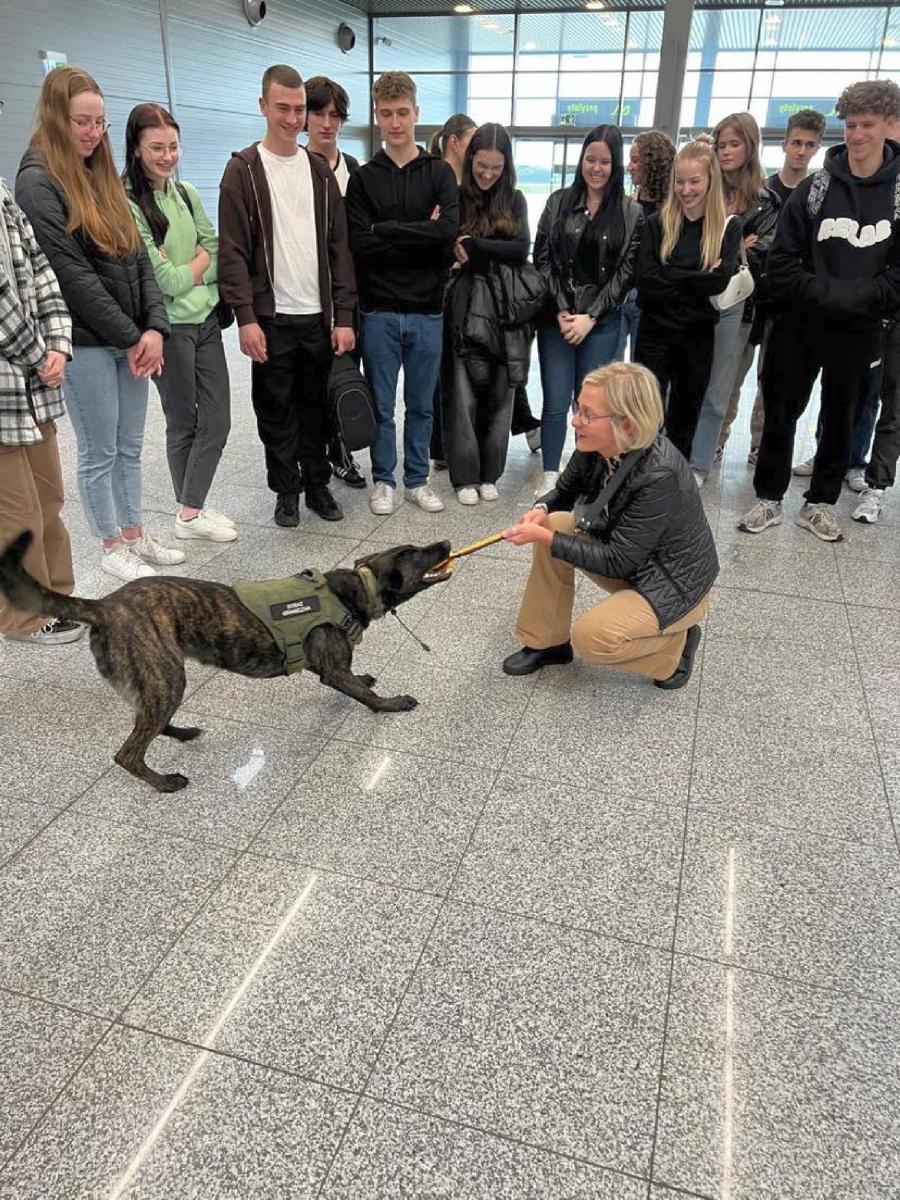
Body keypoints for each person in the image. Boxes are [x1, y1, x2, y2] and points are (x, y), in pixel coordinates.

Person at [16, 66, 182, 583]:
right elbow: (71, 275)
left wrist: (154, 329)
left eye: (100, 123)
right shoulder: (38, 181)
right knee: (100, 448)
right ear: (55, 117)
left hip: (131, 339)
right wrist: (134, 336)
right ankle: (110, 544)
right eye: (82, 122)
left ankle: (134, 532)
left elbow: (139, 258)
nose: (92, 133)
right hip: (86, 342)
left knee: (131, 444)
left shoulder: (102, 173)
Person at [739, 79, 900, 542]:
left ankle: (820, 503)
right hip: (800, 324)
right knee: (782, 410)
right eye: (850, 125)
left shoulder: (896, 195)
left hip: (861, 329)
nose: (857, 134)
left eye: (868, 124)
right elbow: (783, 263)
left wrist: (855, 299)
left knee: (842, 417)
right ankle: (768, 498)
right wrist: (829, 294)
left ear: (887, 126)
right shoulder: (815, 188)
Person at [500, 361, 718, 690]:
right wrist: (540, 509)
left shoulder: (660, 475)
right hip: (635, 561)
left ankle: (676, 647)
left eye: (587, 414)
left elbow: (618, 562)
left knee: (593, 638)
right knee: (555, 520)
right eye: (578, 408)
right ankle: (548, 642)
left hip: (672, 585)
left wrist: (544, 536)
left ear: (626, 426)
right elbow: (564, 490)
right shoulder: (599, 444)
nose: (576, 420)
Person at [218, 63, 357, 529]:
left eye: (299, 109)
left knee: (316, 410)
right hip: (271, 319)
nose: (293, 118)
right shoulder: (242, 171)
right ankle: (286, 491)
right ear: (263, 106)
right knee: (275, 412)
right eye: (283, 108)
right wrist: (246, 317)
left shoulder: (318, 171)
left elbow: (339, 249)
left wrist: (344, 316)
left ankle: (318, 484)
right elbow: (232, 252)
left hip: (318, 317)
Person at [345, 71, 459, 516]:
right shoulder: (364, 178)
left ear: (417, 113)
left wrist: (387, 230)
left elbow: (447, 233)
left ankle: (416, 479)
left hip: (428, 309)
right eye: (387, 114)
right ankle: (383, 480)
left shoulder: (439, 173)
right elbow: (360, 243)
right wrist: (420, 232)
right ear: (377, 116)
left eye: (403, 113)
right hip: (380, 310)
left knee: (420, 405)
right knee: (381, 405)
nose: (395, 122)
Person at [124, 103, 236, 545]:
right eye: (157, 148)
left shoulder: (185, 193)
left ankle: (191, 508)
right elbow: (162, 281)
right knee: (182, 421)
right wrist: (195, 267)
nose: (167, 156)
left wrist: (193, 266)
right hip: (166, 329)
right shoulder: (129, 205)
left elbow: (216, 249)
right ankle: (190, 512)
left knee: (219, 418)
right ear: (136, 149)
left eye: (173, 147)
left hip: (206, 319)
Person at [534, 124, 643, 496]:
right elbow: (542, 259)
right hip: (558, 321)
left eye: (605, 161)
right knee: (555, 399)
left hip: (603, 322)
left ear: (616, 166)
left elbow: (627, 271)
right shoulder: (558, 202)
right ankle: (551, 473)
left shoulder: (630, 211)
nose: (596, 168)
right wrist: (564, 310)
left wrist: (591, 316)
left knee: (593, 408)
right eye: (590, 159)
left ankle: (589, 477)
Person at [0, 175, 82, 645]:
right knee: (16, 513)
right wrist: (38, 354)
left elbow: (43, 273)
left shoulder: (4, 192)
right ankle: (23, 616)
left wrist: (58, 345)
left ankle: (57, 597)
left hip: (35, 383)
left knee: (48, 499)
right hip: (12, 380)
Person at [721, 108, 826, 468]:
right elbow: (740, 245)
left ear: (816, 148)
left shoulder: (817, 194)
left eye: (809, 145)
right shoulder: (764, 191)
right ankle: (718, 440)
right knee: (732, 375)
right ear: (784, 144)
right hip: (749, 298)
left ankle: (759, 444)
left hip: (786, 302)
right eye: (796, 142)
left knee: (773, 383)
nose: (801, 150)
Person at [634, 137, 741, 462]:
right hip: (654, 334)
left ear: (710, 181)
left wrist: (671, 274)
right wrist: (697, 278)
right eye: (679, 182)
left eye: (694, 181)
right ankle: (636, 480)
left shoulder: (726, 227)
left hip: (696, 337)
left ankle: (672, 485)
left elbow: (719, 281)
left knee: (685, 416)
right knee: (646, 416)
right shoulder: (656, 224)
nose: (686, 189)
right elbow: (645, 281)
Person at [690, 113, 779, 485]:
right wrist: (735, 245)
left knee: (719, 391)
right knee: (684, 384)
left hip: (737, 305)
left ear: (750, 146)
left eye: (733, 144)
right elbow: (688, 246)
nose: (725, 152)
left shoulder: (764, 201)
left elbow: (762, 257)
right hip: (693, 301)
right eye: (720, 144)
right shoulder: (700, 189)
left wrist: (728, 252)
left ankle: (699, 464)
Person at [443, 123, 529, 503]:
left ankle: (491, 472)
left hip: (505, 309)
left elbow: (522, 249)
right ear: (470, 159)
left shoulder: (516, 199)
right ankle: (464, 477)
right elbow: (448, 246)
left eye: (496, 167)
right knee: (460, 392)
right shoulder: (455, 196)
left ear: (506, 165)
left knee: (500, 390)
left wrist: (477, 246)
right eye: (481, 166)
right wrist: (486, 249)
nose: (488, 174)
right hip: (462, 305)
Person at [304, 74, 366, 492]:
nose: (327, 123)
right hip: (305, 296)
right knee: (309, 383)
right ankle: (310, 459)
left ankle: (340, 449)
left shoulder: (355, 170)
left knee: (345, 375)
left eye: (335, 115)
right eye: (318, 113)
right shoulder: (292, 164)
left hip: (351, 292)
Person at [617, 130, 675, 360]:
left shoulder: (673, 211)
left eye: (635, 160)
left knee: (643, 373)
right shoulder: (626, 204)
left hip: (651, 302)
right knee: (611, 371)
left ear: (653, 163)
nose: (630, 166)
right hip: (621, 295)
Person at [428, 114, 476, 183]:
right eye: (473, 142)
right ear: (454, 142)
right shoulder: (430, 183)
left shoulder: (468, 187)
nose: (477, 149)